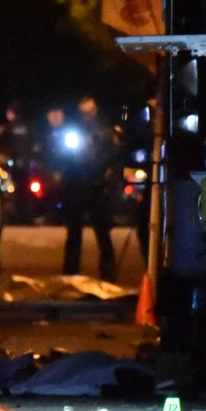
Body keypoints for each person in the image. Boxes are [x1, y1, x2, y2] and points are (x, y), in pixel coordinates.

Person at [58, 96, 119, 283]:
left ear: (95, 111)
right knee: (74, 231)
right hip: (76, 185)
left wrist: (108, 174)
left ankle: (108, 271)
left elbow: (113, 155)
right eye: (83, 113)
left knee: (102, 231)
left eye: (89, 112)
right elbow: (64, 155)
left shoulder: (104, 130)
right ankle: (70, 271)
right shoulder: (75, 130)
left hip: (96, 185)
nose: (86, 116)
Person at [0, 102, 35, 221]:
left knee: (11, 188)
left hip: (12, 164)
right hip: (26, 164)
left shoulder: (7, 128)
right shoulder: (28, 127)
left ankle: (15, 215)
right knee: (23, 190)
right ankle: (25, 215)